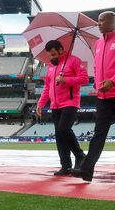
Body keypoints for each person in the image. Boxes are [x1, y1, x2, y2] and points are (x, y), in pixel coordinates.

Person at [71, 11, 115, 183]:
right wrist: (97, 81)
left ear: (112, 21)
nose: (98, 23)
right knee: (98, 133)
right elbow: (97, 66)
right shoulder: (99, 43)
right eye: (98, 20)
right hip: (104, 95)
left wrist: (114, 81)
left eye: (101, 20)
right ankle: (87, 171)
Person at [36, 40, 89, 176]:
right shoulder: (50, 67)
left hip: (70, 102)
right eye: (50, 56)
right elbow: (47, 87)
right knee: (59, 136)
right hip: (55, 105)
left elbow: (84, 79)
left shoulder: (74, 61)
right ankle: (65, 165)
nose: (52, 57)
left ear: (61, 50)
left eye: (54, 54)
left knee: (63, 129)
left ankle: (80, 155)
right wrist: (41, 104)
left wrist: (66, 80)